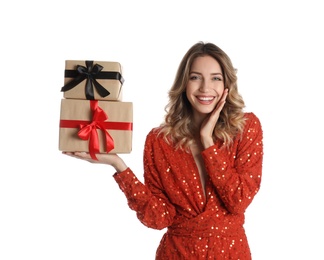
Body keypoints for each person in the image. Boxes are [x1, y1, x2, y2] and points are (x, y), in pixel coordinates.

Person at [64, 41, 263, 259]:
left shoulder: (246, 128)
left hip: (232, 253)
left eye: (216, 78)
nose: (205, 88)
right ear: (184, 83)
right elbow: (158, 218)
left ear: (227, 85)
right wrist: (117, 165)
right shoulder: (159, 141)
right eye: (195, 77)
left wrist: (207, 140)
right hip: (177, 253)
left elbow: (238, 200)